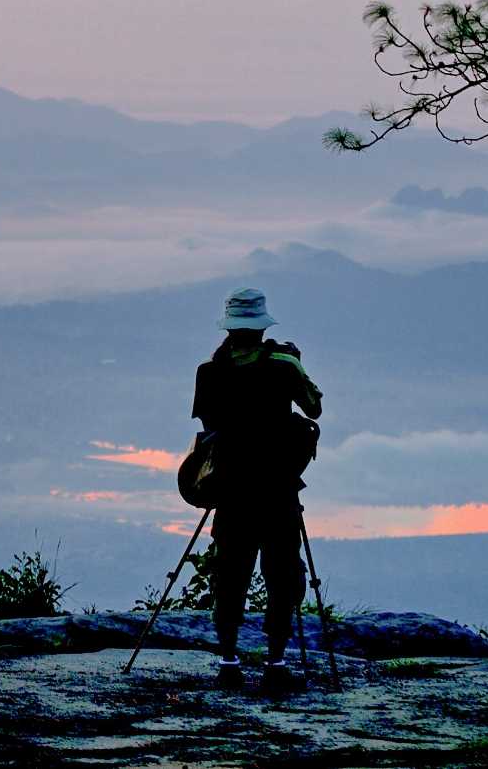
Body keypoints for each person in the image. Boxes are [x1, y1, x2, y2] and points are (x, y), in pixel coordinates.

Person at [192, 286, 323, 691]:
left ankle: (229, 662)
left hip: (231, 490)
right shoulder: (282, 364)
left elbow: (207, 429)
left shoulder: (210, 371)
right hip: (277, 489)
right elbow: (314, 407)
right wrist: (295, 362)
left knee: (231, 574)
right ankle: (276, 664)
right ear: (262, 326)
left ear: (229, 328)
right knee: (282, 575)